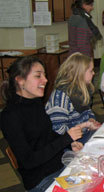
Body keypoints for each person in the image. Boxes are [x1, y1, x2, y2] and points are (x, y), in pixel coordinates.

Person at [0, 57, 86, 191]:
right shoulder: (9, 116)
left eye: (44, 75)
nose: (45, 80)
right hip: (40, 180)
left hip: (59, 167)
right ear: (20, 80)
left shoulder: (35, 102)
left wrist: (70, 143)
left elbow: (47, 134)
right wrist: (65, 139)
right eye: (38, 76)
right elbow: (29, 161)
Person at [45, 52, 101, 144]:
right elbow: (58, 130)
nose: (94, 73)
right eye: (91, 71)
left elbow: (87, 110)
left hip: (84, 133)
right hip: (70, 143)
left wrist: (91, 119)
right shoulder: (60, 96)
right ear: (80, 73)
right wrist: (84, 126)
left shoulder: (83, 88)